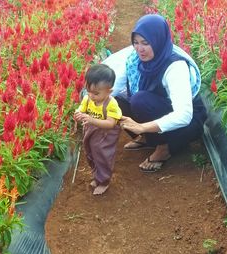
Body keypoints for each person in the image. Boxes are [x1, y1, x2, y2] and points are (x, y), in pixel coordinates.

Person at [117, 14, 207, 172]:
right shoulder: (135, 59)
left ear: (158, 40)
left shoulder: (175, 67)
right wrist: (89, 106)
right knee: (116, 100)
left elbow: (184, 115)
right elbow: (115, 84)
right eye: (136, 43)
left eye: (146, 43)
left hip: (190, 121)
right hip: (159, 106)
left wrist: (143, 127)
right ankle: (147, 138)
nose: (140, 49)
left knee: (139, 100)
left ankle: (163, 148)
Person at [74, 64, 122, 195]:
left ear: (109, 91)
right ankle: (98, 176)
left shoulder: (111, 104)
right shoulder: (88, 98)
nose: (91, 95)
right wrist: (78, 113)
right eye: (88, 90)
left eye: (96, 93)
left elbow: (111, 124)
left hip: (105, 136)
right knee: (91, 154)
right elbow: (81, 109)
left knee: (103, 157)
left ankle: (104, 181)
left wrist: (91, 120)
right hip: (91, 132)